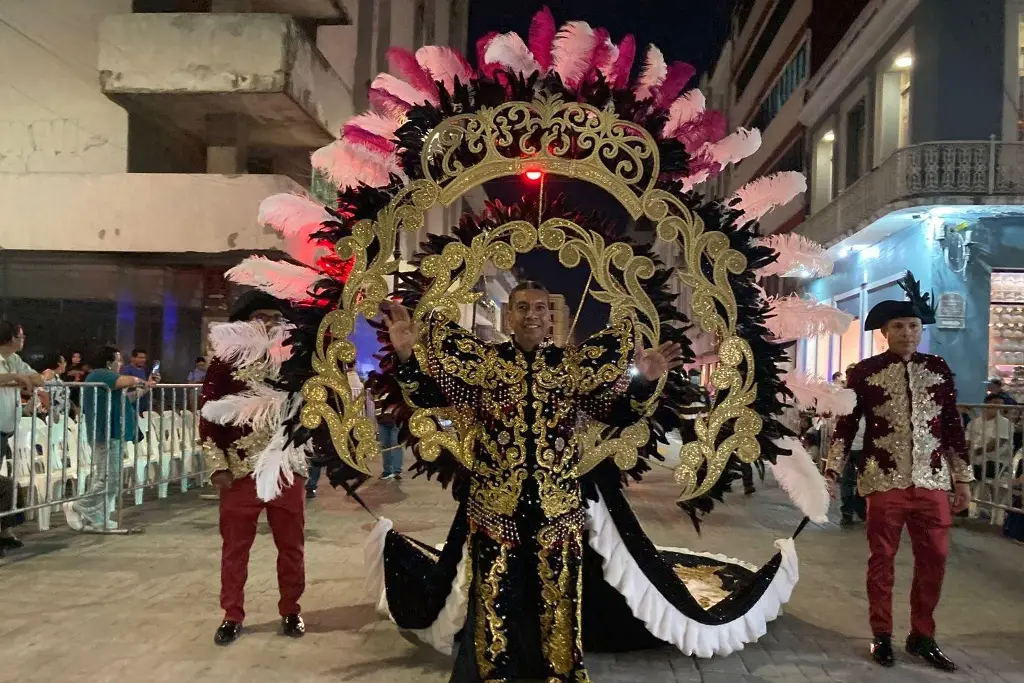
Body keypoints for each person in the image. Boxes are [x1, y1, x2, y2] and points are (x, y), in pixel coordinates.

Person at [383, 281, 682, 681]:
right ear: (508, 316)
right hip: (493, 507)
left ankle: (561, 672)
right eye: (522, 307)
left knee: (559, 600)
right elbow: (429, 395)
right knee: (493, 596)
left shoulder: (571, 368)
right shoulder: (484, 367)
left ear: (550, 316)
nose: (532, 315)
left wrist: (644, 380)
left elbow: (616, 413)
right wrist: (405, 353)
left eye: (540, 307)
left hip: (557, 506)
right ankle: (495, 673)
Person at [824, 273, 972, 672]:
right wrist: (832, 473)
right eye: (898, 327)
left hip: (932, 479)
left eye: (913, 326)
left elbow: (952, 427)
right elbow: (845, 425)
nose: (907, 333)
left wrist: (963, 480)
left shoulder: (938, 369)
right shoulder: (865, 372)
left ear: (921, 330)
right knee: (882, 559)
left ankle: (922, 635)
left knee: (935, 560)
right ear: (884, 333)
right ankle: (882, 634)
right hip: (883, 479)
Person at [200, 291, 308, 645]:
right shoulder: (224, 363)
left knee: (291, 546)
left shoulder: (297, 360)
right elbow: (207, 418)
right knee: (234, 549)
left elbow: (313, 409)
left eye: (275, 318)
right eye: (260, 318)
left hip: (285, 468)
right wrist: (216, 466)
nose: (268, 325)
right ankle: (232, 614)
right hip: (239, 470)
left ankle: (291, 609)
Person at [63, 346, 156, 532]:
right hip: (105, 433)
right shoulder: (100, 374)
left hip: (114, 431)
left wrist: (145, 387)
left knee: (108, 477)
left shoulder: (109, 381)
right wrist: (139, 380)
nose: (120, 364)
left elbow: (125, 399)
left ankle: (97, 518)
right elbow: (128, 380)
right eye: (118, 360)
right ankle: (79, 505)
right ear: (108, 362)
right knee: (108, 478)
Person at [0, 321, 41, 554]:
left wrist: (20, 378)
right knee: (5, 486)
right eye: (21, 336)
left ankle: (5, 531)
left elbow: (37, 379)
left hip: (4, 430)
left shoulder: (14, 360)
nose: (23, 340)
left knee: (6, 486)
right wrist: (15, 378)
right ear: (10, 338)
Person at [307, 362, 366, 498]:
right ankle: (312, 485)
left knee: (322, 453)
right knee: (325, 453)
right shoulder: (346, 382)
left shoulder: (341, 382)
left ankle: (312, 485)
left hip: (333, 423)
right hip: (335, 423)